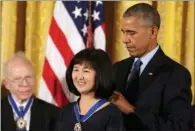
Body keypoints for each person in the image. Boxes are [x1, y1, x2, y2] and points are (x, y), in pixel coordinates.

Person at [111, 3, 192, 131]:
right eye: (124, 32)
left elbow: (179, 127)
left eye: (131, 33)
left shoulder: (175, 74)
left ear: (153, 32)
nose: (125, 40)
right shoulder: (117, 69)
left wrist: (131, 111)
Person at [55, 48, 125, 131]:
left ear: (100, 74)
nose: (79, 77)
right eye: (76, 69)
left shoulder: (112, 114)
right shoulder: (65, 111)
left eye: (86, 71)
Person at [1, 52, 59, 131]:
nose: (25, 83)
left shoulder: (53, 114)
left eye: (28, 77)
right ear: (6, 84)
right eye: (18, 79)